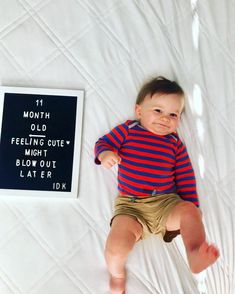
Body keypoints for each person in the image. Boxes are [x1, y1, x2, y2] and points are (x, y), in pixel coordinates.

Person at [94, 76, 219, 294]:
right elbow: (103, 142)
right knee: (116, 247)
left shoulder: (175, 144)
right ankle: (116, 274)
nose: (165, 119)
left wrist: (192, 209)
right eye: (158, 111)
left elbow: (185, 176)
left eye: (173, 114)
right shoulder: (128, 129)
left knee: (190, 212)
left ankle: (194, 252)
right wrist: (105, 154)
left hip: (166, 204)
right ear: (139, 111)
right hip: (131, 206)